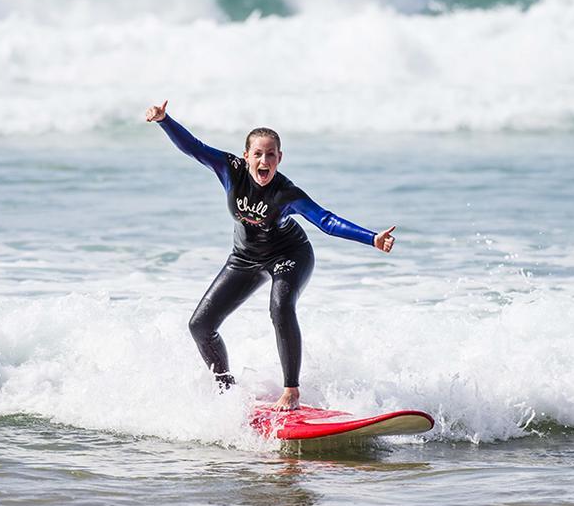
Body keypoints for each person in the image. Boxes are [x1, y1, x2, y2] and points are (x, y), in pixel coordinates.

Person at [145, 100, 395, 411]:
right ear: (246, 155)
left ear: (280, 158)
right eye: (258, 154)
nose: (265, 160)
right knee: (200, 326)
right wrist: (164, 120)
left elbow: (326, 221)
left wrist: (372, 238)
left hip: (289, 255)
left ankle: (291, 391)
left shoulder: (286, 192)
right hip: (244, 258)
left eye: (271, 154)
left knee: (280, 307)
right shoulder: (229, 169)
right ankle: (226, 390)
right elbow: (193, 147)